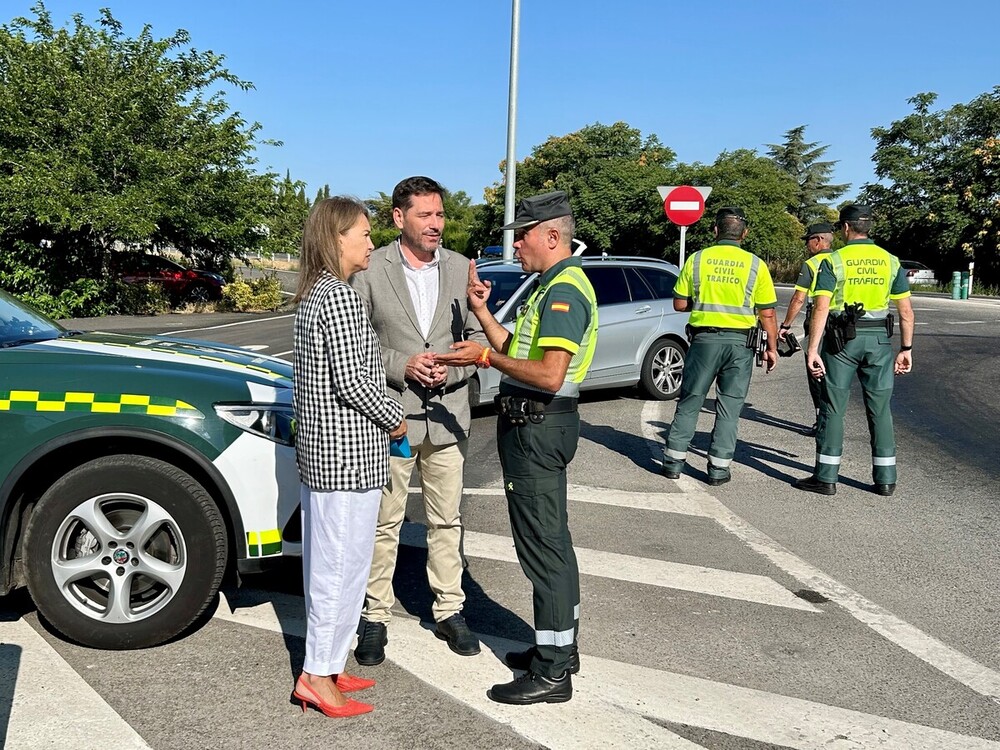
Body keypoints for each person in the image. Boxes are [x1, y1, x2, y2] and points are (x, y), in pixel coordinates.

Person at [437, 190, 598, 706]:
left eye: (522, 237)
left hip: (537, 427)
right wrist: (484, 317)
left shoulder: (564, 291)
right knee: (551, 544)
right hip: (536, 426)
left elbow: (549, 374)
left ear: (552, 236)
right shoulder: (548, 285)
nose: (517, 247)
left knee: (543, 550)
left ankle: (553, 672)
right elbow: (518, 348)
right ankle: (559, 650)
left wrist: (484, 357)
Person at [350, 176, 487, 665]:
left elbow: (477, 338)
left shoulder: (460, 268)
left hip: (449, 415)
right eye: (425, 215)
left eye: (440, 214)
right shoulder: (370, 269)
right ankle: (374, 615)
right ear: (398, 217)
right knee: (383, 521)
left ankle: (450, 609)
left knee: (446, 520)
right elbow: (357, 342)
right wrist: (401, 364)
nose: (436, 224)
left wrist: (454, 363)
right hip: (391, 417)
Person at [291, 197, 407, 718]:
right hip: (345, 457)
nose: (370, 242)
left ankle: (330, 665)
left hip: (333, 455)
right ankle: (317, 676)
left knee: (341, 565)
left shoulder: (319, 294)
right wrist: (395, 415)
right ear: (337, 237)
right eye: (363, 232)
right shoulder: (337, 297)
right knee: (338, 570)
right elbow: (354, 378)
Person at [794, 205, 914, 497]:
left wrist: (812, 350)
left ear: (846, 228)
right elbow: (906, 312)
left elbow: (821, 306)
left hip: (841, 341)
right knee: (880, 409)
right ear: (869, 227)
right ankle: (885, 479)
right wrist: (906, 349)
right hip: (879, 343)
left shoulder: (833, 261)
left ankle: (826, 477)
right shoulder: (890, 261)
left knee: (833, 406)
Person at [661, 207, 779, 486]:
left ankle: (673, 462)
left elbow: (679, 303)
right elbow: (768, 313)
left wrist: (701, 304)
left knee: (691, 400)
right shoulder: (756, 265)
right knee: (729, 407)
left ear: (715, 231)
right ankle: (718, 469)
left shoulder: (697, 259)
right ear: (745, 234)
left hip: (704, 342)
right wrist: (771, 347)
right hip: (740, 345)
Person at [778, 222, 835, 436]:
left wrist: (785, 326)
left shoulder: (813, 263)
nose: (807, 245)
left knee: (815, 371)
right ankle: (834, 417)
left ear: (819, 240)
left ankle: (822, 420)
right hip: (843, 323)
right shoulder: (841, 261)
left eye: (809, 240)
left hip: (818, 322)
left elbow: (798, 299)